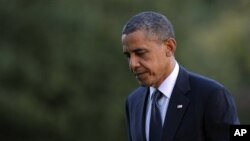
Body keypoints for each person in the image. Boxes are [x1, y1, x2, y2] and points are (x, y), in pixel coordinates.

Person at [121, 11, 240, 141]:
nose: (133, 64)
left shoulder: (211, 95)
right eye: (128, 56)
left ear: (169, 47)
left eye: (140, 53)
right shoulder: (133, 102)